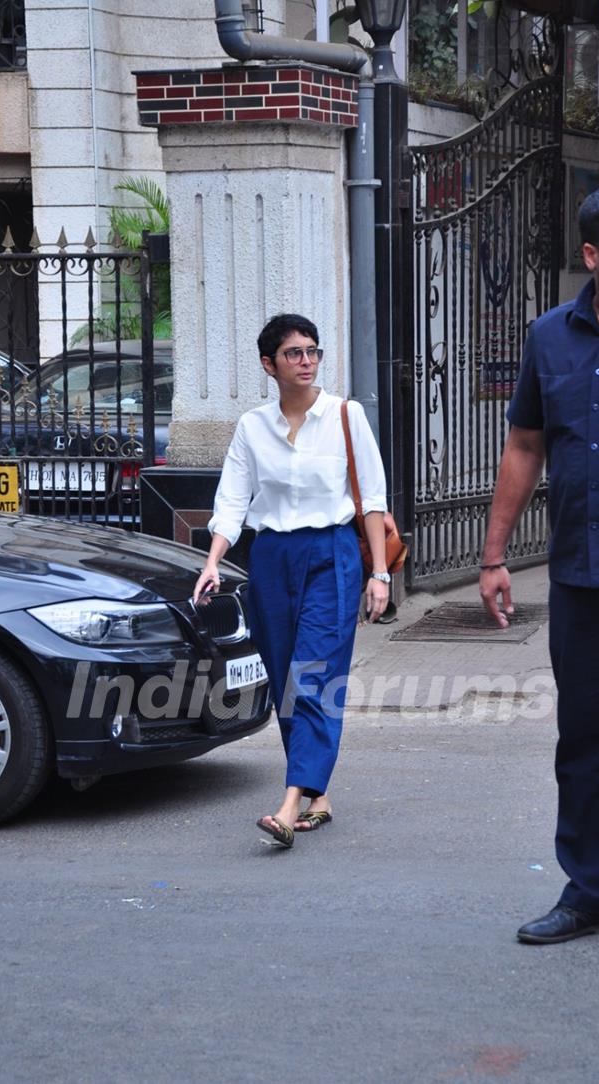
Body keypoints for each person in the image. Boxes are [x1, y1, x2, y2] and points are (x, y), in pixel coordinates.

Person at [480, 184, 599, 944]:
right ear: (591, 255)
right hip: (582, 576)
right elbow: (526, 445)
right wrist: (493, 555)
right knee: (585, 745)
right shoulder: (549, 338)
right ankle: (590, 895)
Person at [193, 313, 390, 848]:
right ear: (269, 364)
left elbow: (372, 500)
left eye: (313, 352)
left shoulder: (345, 416)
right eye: (294, 354)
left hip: (332, 554)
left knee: (315, 674)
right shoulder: (252, 427)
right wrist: (213, 561)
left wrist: (379, 573)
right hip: (273, 558)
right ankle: (317, 795)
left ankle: (287, 804)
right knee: (284, 678)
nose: (306, 362)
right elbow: (232, 501)